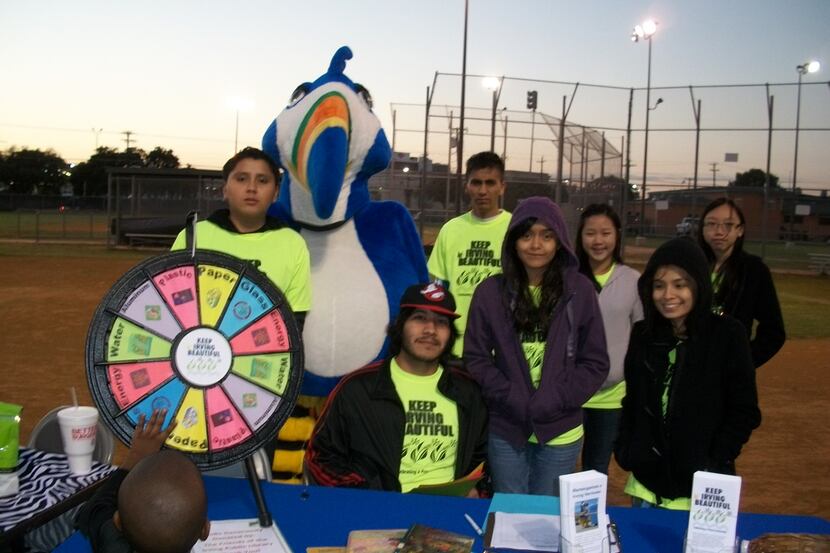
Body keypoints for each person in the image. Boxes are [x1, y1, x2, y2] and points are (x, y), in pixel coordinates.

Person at [464, 197, 609, 496]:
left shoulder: (580, 290)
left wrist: (556, 398)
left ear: (560, 242)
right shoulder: (490, 292)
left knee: (548, 516)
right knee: (510, 511)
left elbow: (594, 362)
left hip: (561, 429)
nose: (535, 244)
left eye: (546, 235)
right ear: (513, 241)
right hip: (507, 427)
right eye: (526, 235)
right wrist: (509, 395)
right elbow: (476, 357)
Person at [614, 238, 761, 509]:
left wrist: (713, 462)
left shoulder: (727, 335)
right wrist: (628, 450)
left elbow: (744, 410)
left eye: (680, 285)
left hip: (703, 490)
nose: (668, 295)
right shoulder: (643, 335)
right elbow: (633, 401)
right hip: (647, 487)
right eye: (659, 285)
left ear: (699, 286)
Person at [305, 282, 488, 493]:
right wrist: (362, 493)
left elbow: (482, 457)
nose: (431, 330)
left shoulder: (468, 391)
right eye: (420, 318)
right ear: (400, 325)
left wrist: (478, 489)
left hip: (449, 509)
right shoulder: (357, 388)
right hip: (379, 511)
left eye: (441, 322)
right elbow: (320, 457)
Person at [171, 146, 311, 324]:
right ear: (225, 189)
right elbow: (171, 303)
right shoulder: (192, 237)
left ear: (276, 193)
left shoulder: (293, 244)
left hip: (264, 351)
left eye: (262, 180)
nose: (252, 188)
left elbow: (295, 321)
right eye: (242, 179)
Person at [76, 409, 210, 552]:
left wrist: (135, 457)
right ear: (205, 530)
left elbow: (93, 512)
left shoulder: (112, 545)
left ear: (117, 522)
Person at [575, 204, 643, 475]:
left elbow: (641, 336)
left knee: (595, 470)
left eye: (606, 233)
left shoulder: (632, 280)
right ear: (580, 237)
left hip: (612, 397)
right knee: (562, 466)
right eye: (591, 233)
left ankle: (588, 519)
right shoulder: (569, 278)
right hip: (571, 394)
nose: (598, 241)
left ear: (617, 236)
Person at [428, 151, 512, 357]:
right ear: (467, 186)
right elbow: (440, 288)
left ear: (502, 187)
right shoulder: (450, 229)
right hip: (456, 347)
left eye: (490, 183)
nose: (483, 190)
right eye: (476, 182)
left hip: (503, 348)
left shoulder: (516, 228)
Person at [697, 197, 785, 368]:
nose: (719, 232)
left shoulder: (754, 270)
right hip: (688, 368)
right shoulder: (688, 266)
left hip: (727, 376)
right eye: (711, 224)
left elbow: (774, 331)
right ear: (702, 229)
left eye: (728, 225)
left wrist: (743, 362)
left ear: (740, 230)